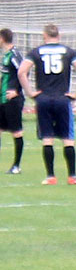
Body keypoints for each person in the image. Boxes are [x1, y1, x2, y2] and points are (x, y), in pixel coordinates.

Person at [18, 24, 76, 185]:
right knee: (68, 139)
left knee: (47, 138)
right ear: (59, 36)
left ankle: (50, 177)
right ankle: (72, 176)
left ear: (44, 36)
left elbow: (21, 72)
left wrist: (30, 92)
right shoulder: (69, 51)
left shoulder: (36, 52)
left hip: (43, 99)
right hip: (62, 99)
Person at [0, 29, 25, 174]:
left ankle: (16, 166)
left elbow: (24, 71)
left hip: (13, 100)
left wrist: (17, 90)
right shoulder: (6, 55)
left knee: (16, 132)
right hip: (3, 99)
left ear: (2, 38)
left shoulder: (15, 55)